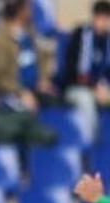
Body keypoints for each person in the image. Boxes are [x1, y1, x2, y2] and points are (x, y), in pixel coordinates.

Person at [0, 0, 57, 147]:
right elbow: (0, 78)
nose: (31, 11)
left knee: (63, 102)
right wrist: (21, 92)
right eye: (28, 7)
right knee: (23, 115)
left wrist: (43, 80)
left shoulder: (31, 34)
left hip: (36, 90)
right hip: (11, 94)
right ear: (19, 10)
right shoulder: (0, 39)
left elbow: (41, 61)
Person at [59, 1, 110, 139]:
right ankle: (91, 146)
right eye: (100, 18)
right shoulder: (80, 35)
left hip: (102, 88)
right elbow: (73, 72)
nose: (103, 23)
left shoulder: (107, 41)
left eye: (106, 19)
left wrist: (104, 87)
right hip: (77, 87)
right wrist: (94, 87)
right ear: (94, 17)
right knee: (86, 101)